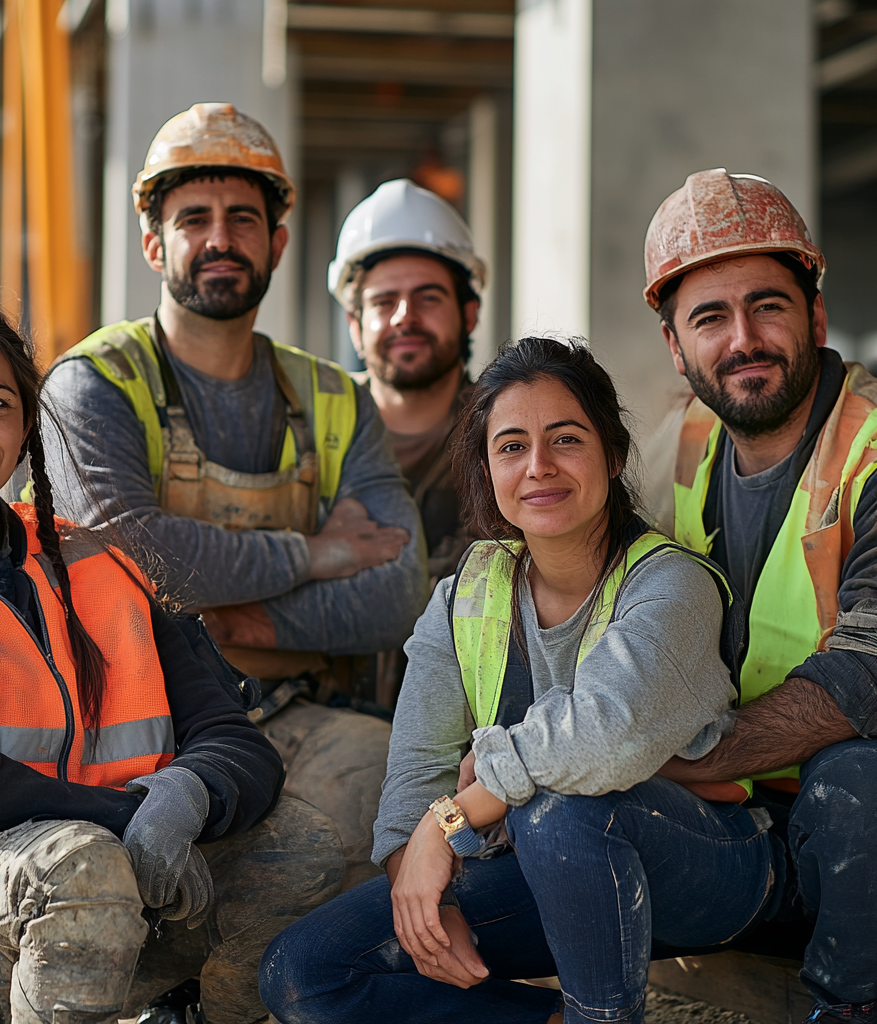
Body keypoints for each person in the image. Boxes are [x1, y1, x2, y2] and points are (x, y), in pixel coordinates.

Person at [0, 286, 344, 1024]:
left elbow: (236, 741)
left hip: (104, 879)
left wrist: (184, 799)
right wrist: (127, 818)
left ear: (23, 427)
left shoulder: (97, 563)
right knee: (84, 864)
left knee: (302, 847)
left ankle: (191, 1012)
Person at [261, 336, 754, 1024]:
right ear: (487, 468)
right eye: (512, 446)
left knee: (564, 808)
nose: (539, 467)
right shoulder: (468, 591)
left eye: (566, 439)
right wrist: (431, 898)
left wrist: (461, 810)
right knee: (304, 975)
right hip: (540, 869)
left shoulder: (671, 583)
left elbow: (603, 738)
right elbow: (415, 777)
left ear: (613, 456)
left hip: (704, 870)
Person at [41, 103, 428, 895]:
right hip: (128, 719)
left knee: (381, 798)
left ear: (277, 241)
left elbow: (397, 591)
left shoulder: (332, 396)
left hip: (293, 711)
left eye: (243, 218)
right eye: (195, 219)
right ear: (155, 243)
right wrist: (315, 555)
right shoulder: (93, 385)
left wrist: (235, 619)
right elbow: (130, 554)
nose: (221, 238)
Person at [641, 168, 877, 1023]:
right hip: (742, 814)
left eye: (768, 305)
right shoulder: (681, 447)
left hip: (844, 808)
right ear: (676, 346)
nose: (745, 338)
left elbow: (868, 673)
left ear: (815, 315)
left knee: (859, 776)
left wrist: (685, 758)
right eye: (710, 317)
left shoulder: (872, 445)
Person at [331, 179, 484, 704]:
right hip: (322, 710)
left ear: (469, 313)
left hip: (469, 725)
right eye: (384, 301)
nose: (405, 317)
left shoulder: (507, 436)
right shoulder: (309, 428)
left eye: (428, 297)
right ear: (355, 325)